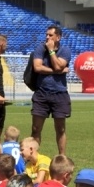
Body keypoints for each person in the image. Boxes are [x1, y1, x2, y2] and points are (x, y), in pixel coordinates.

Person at [31, 26, 72, 156]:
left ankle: (62, 157)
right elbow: (37, 67)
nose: (47, 37)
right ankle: (34, 157)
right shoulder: (40, 48)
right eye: (46, 35)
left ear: (58, 37)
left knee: (61, 129)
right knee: (36, 128)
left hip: (60, 94)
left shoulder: (65, 51)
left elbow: (59, 65)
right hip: (41, 93)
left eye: (50, 35)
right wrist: (57, 72)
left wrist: (51, 51)